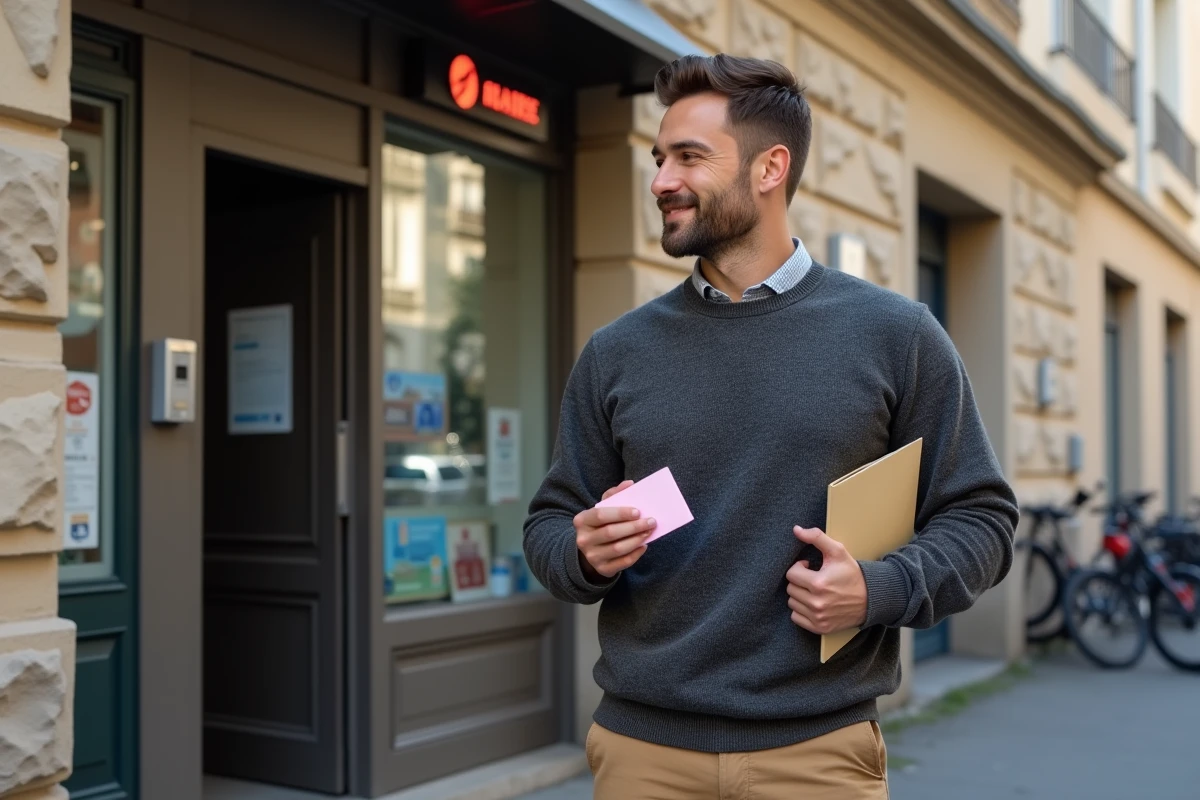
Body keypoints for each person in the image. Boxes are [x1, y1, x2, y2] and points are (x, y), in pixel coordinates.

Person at [522, 53, 1019, 799]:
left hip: (817, 754)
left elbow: (982, 517)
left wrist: (879, 590)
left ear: (769, 168)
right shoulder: (615, 353)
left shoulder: (896, 334)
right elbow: (549, 526)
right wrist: (584, 551)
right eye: (659, 159)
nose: (661, 180)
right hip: (643, 755)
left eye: (689, 157)